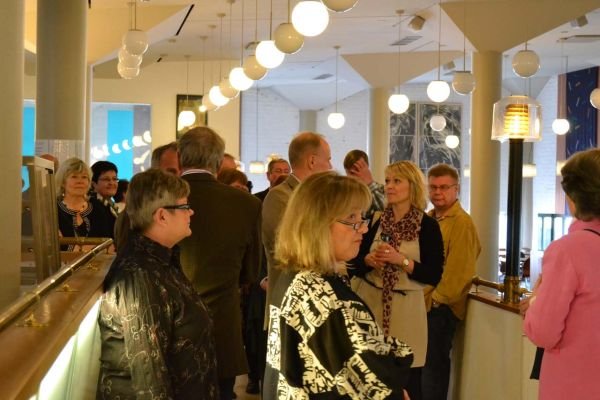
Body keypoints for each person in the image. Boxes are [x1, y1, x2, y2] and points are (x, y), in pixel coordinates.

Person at [264, 171, 414, 399]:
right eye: (352, 218)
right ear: (318, 224)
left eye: (362, 217)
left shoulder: (295, 275)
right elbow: (369, 377)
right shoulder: (320, 292)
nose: (363, 228)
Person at [97, 169, 219, 399]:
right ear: (162, 216)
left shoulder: (160, 260)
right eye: (184, 207)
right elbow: (149, 378)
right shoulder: (139, 275)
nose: (191, 212)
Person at [177, 127, 262, 400]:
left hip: (170, 326)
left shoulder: (161, 199)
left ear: (180, 157)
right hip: (222, 326)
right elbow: (250, 271)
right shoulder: (246, 204)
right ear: (218, 161)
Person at [351, 160, 444, 400]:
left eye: (396, 181)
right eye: (387, 181)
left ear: (412, 186)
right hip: (370, 303)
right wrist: (369, 260)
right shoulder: (376, 220)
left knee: (407, 377)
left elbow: (434, 274)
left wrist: (401, 260)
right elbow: (354, 262)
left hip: (406, 309)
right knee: (369, 373)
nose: (389, 186)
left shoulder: (428, 226)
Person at [523, 148, 600, 400]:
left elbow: (543, 331)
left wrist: (534, 301)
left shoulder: (568, 251)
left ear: (573, 198)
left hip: (575, 382)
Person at [422, 163, 481, 400]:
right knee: (421, 370)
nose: (438, 192)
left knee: (433, 372)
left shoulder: (462, 223)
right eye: (433, 187)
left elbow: (460, 272)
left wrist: (436, 301)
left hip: (441, 310)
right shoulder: (428, 219)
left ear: (456, 189)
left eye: (444, 187)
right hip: (424, 305)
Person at [262, 131, 332, 311]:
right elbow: (292, 250)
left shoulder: (318, 197)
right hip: (289, 301)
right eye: (328, 160)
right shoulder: (280, 196)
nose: (330, 167)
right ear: (312, 161)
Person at [55, 157, 114, 249]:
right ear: (63, 182)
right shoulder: (53, 209)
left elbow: (109, 245)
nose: (80, 181)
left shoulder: (98, 208)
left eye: (84, 177)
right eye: (74, 177)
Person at [344, 149, 385, 219]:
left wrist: (370, 183)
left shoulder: (382, 190)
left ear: (367, 168)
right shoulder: (344, 194)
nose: (353, 177)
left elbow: (386, 212)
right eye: (351, 173)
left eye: (358, 170)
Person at [90, 161, 119, 234]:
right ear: (94, 184)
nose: (111, 183)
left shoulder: (109, 203)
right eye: (106, 179)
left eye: (114, 179)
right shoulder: (92, 206)